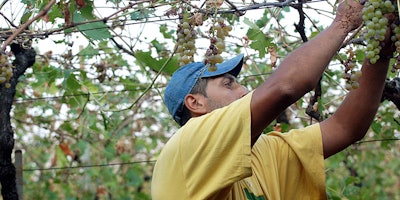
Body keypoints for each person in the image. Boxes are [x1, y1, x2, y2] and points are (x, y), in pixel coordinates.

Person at [151, 0, 394, 199]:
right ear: (195, 103)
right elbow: (285, 87)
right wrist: (343, 23)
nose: (244, 91)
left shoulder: (261, 149)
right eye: (228, 84)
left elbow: (345, 128)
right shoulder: (188, 146)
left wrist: (381, 51)